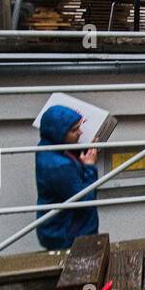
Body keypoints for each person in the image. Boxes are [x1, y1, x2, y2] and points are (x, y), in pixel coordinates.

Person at [35, 104, 99, 251]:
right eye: (74, 130)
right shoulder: (59, 166)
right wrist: (90, 167)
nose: (80, 132)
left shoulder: (47, 147)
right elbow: (85, 200)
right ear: (59, 132)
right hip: (70, 233)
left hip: (59, 228)